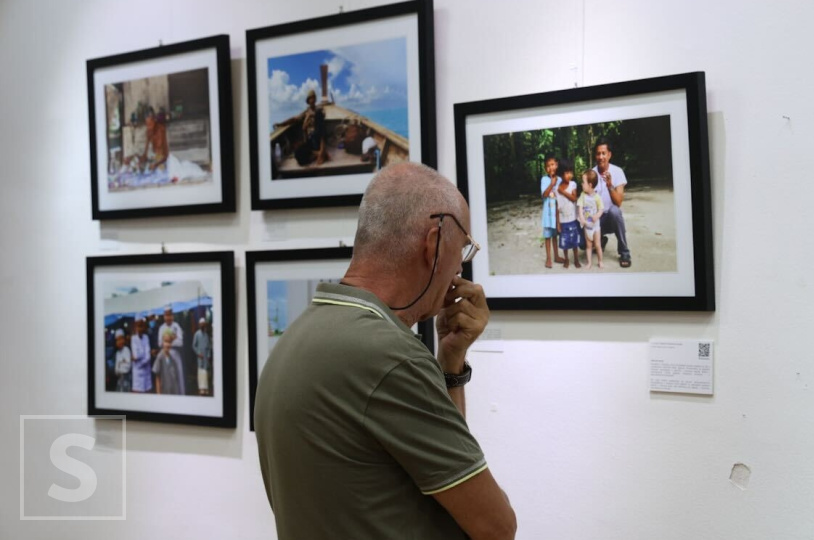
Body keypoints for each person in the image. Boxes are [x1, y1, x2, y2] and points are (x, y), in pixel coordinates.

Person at [255, 162, 516, 540]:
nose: (460, 268)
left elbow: (439, 465)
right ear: (434, 244)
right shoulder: (391, 357)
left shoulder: (297, 336)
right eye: (462, 250)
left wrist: (451, 362)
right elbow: (497, 525)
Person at [587, 138, 631, 267]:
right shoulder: (591, 174)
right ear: (595, 155)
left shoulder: (617, 172)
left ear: (609, 155)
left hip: (611, 219)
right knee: (583, 244)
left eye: (603, 153)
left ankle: (624, 252)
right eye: (598, 153)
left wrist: (610, 185)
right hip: (596, 219)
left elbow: (618, 202)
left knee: (615, 211)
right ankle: (600, 239)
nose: (601, 157)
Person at [273, 89, 329, 166]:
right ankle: (318, 154)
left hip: (319, 138)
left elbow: (323, 117)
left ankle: (322, 151)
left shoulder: (319, 110)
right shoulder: (306, 113)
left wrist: (312, 115)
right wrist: (281, 124)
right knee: (297, 154)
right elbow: (294, 119)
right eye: (310, 98)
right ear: (308, 101)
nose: (312, 100)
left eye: (313, 98)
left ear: (315, 99)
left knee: (319, 116)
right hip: (310, 140)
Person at [555, 159, 581, 268]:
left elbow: (574, 198)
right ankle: (566, 260)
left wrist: (563, 192)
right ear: (561, 174)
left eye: (570, 172)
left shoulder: (573, 184)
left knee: (575, 242)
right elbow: (557, 207)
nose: (569, 175)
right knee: (565, 243)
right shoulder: (556, 189)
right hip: (563, 220)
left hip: (573, 219)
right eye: (566, 173)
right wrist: (558, 223)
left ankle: (576, 259)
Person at [540, 155, 565, 268]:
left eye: (553, 164)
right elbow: (545, 195)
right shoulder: (544, 179)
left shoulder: (560, 179)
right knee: (547, 236)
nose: (551, 167)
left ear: (557, 165)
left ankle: (556, 256)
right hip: (547, 215)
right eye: (548, 166)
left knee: (555, 236)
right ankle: (548, 258)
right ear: (546, 169)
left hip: (556, 215)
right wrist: (552, 184)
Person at [579, 169, 605, 269]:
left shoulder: (597, 197)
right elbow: (580, 206)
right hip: (587, 226)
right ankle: (589, 262)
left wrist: (597, 215)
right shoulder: (583, 195)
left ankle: (600, 261)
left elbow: (601, 209)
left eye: (583, 182)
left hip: (595, 227)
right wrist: (581, 217)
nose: (581, 184)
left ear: (590, 185)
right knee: (588, 246)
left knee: (597, 245)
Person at [152, 331, 185, 395]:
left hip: (173, 391)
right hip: (164, 391)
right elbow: (157, 378)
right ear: (162, 343)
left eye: (169, 342)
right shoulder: (160, 357)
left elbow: (175, 378)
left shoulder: (173, 358)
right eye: (166, 342)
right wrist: (158, 393)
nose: (167, 344)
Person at [140, 107, 169, 172]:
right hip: (154, 159)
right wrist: (142, 159)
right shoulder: (148, 132)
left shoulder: (161, 129)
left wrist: (156, 165)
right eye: (147, 124)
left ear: (154, 120)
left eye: (150, 124)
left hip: (163, 161)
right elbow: (146, 152)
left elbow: (166, 155)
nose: (148, 127)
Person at [130, 315, 153, 393]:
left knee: (147, 393)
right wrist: (139, 356)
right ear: (135, 327)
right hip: (137, 375)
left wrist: (138, 360)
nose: (140, 329)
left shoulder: (146, 337)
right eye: (138, 326)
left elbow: (148, 357)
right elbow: (137, 355)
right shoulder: (133, 339)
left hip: (146, 372)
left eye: (141, 326)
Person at [192, 318, 212, 396]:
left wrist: (209, 355)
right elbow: (194, 345)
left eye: (204, 324)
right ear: (199, 325)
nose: (203, 325)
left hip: (206, 358)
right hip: (200, 358)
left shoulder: (206, 335)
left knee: (206, 374)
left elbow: (209, 347)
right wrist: (198, 353)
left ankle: (206, 389)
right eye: (201, 324)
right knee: (201, 373)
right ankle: (201, 389)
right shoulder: (197, 334)